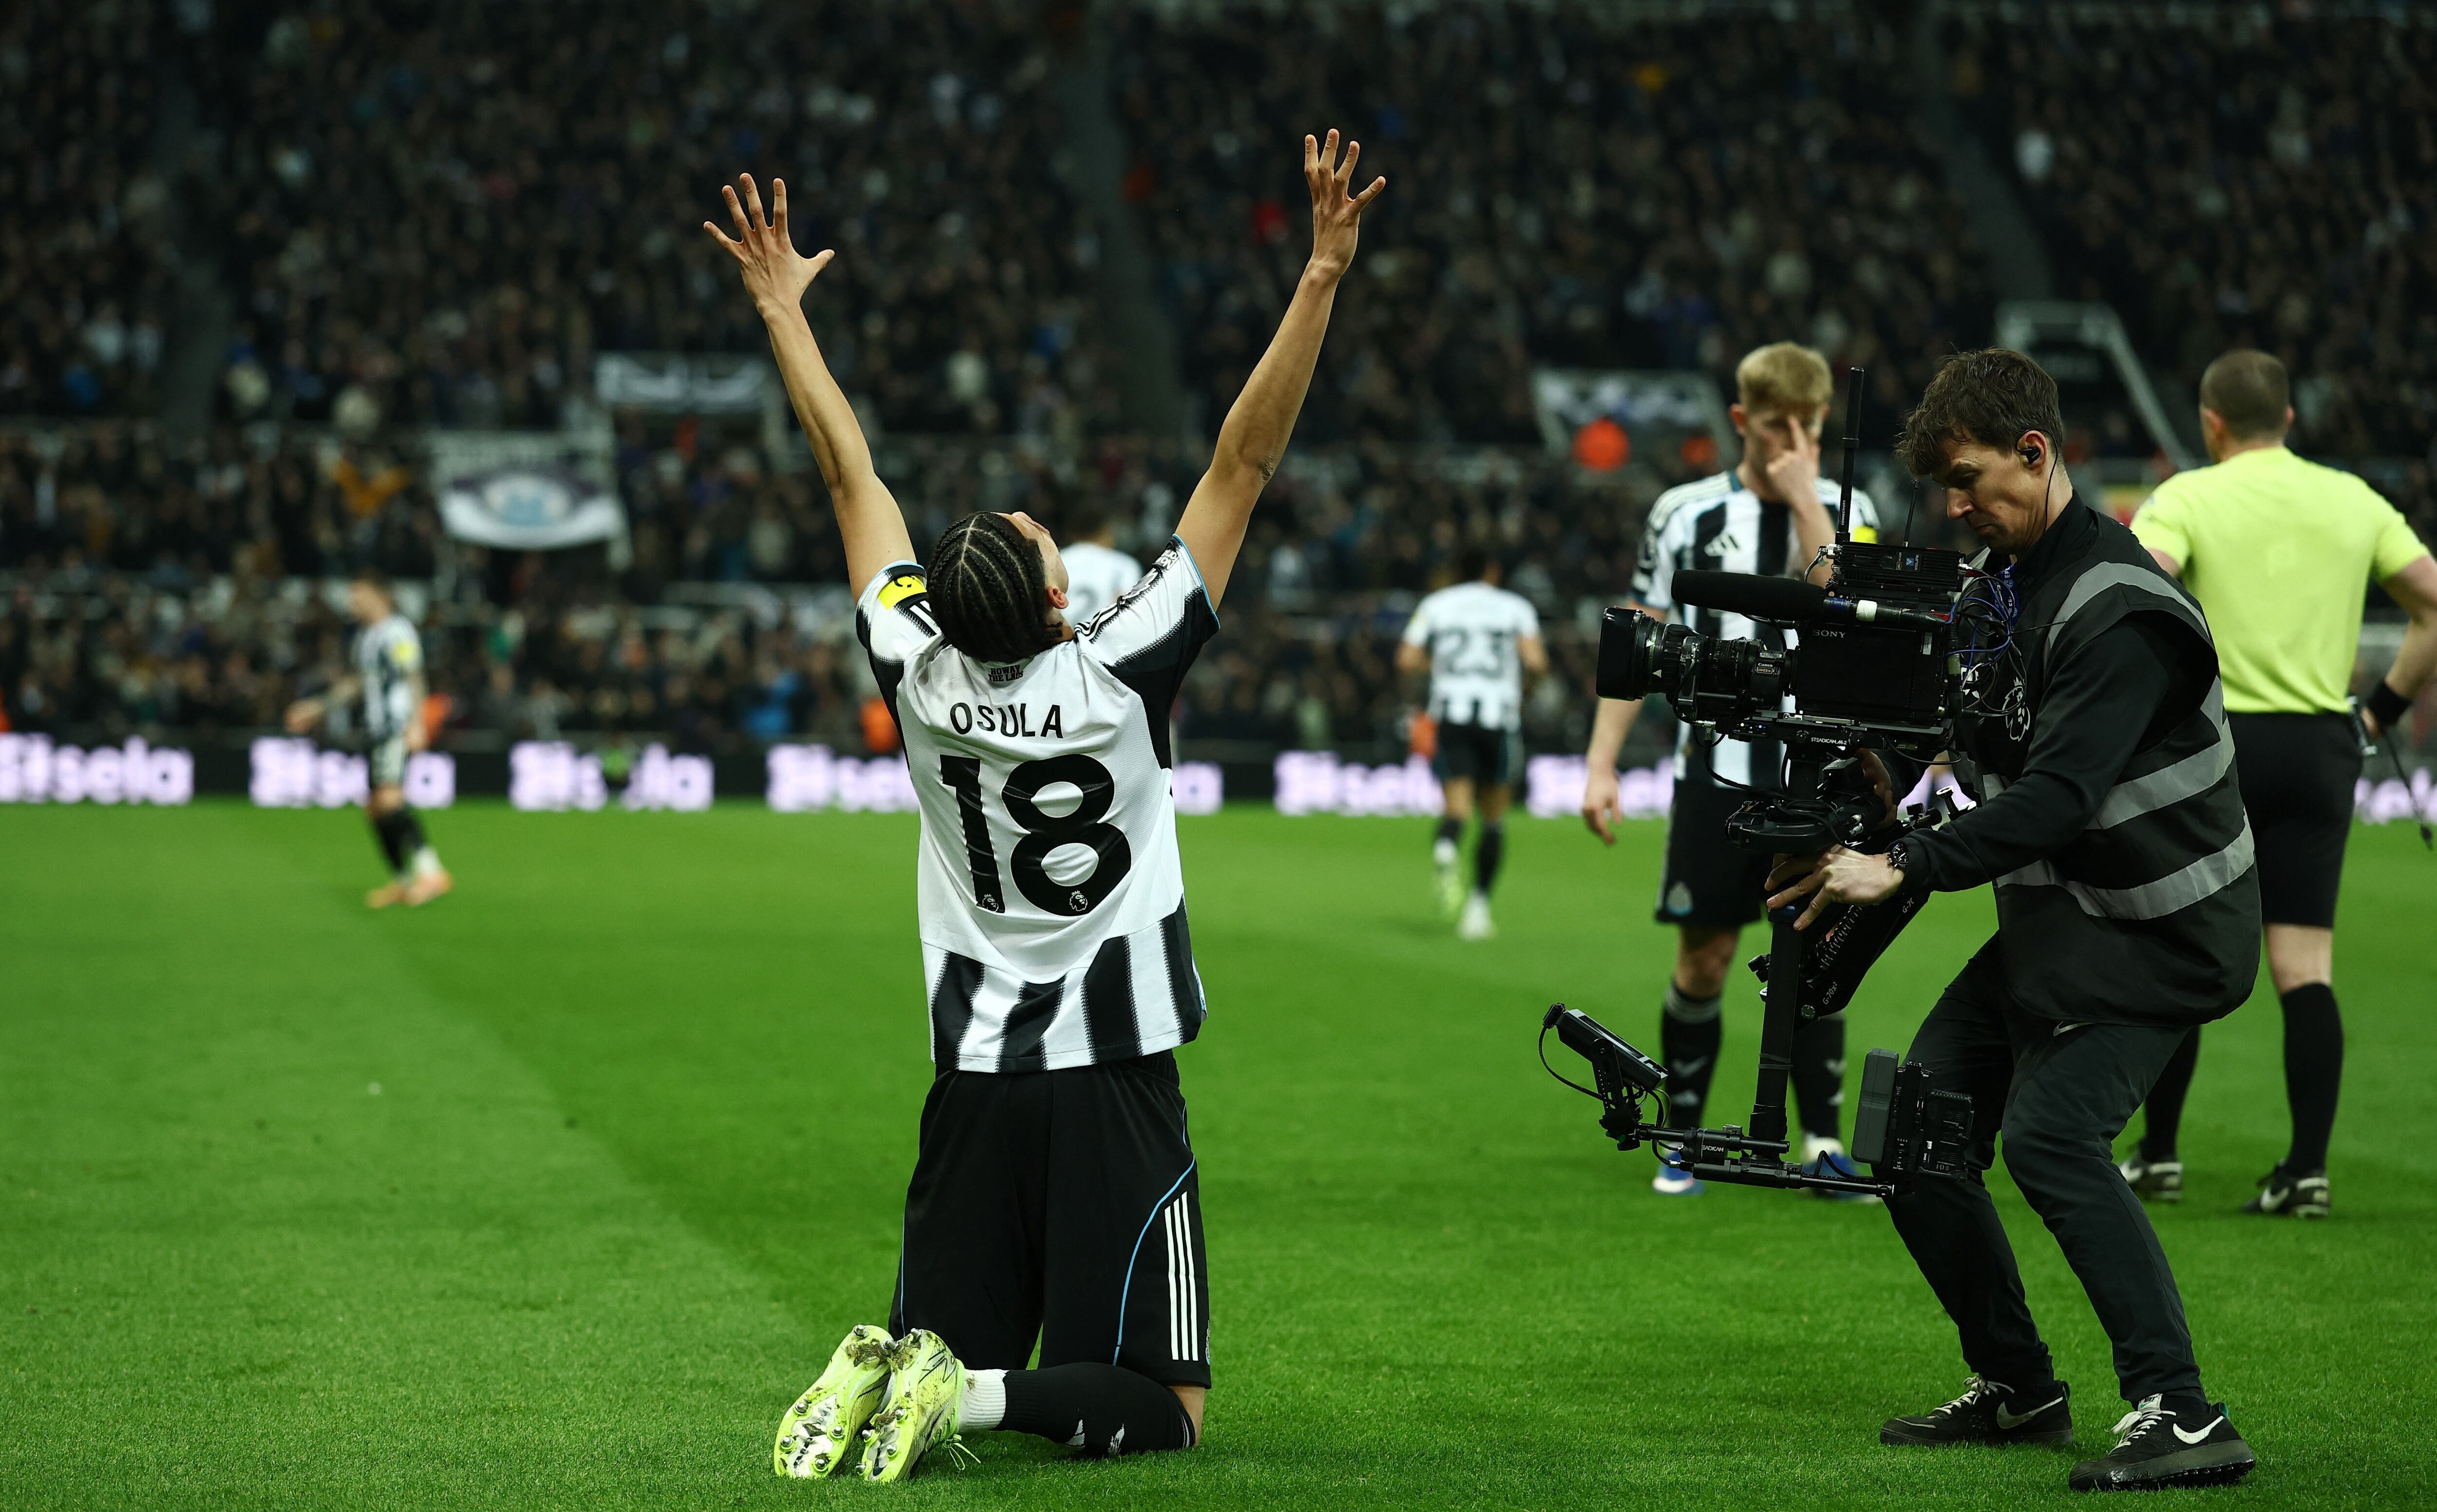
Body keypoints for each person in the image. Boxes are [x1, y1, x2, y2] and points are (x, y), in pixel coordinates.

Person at [705, 132, 1383, 1481]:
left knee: (942, 1332)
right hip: (1114, 1073)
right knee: (1162, 1405)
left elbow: (852, 480)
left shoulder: (914, 670)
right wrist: (1318, 273)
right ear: (1064, 596)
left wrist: (784, 315)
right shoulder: (1130, 670)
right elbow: (1241, 465)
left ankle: (911, 1363)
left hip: (973, 1075)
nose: (1024, 512)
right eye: (1031, 530)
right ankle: (965, 1399)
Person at [1772, 349, 2258, 1491]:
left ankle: (2182, 1414)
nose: (1954, 505)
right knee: (1913, 1127)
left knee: (2048, 1137)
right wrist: (1890, 782)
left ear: (2037, 456)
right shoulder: (2005, 579)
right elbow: (1990, 755)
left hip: (2165, 935)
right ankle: (2018, 1387)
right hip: (2067, 923)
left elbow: (2058, 798)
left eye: (1968, 477)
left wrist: (1905, 867)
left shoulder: (2118, 605)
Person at [2116, 349, 2437, 1218]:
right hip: (2322, 747)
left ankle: (2160, 1154)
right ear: (2290, 420)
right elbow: (2434, 600)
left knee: (2181, 948)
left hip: (2217, 747)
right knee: (2305, 966)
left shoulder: (2189, 495)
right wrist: (2380, 709)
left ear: (2211, 423)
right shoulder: (2355, 499)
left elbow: (2142, 580)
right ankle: (2304, 1170)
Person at [1579, 341, 1877, 1196]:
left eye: (1810, 426)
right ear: (1742, 420)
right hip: (1714, 770)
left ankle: (1820, 1138)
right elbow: (1635, 641)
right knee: (1706, 956)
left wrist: (1805, 498)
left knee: (1818, 953)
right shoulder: (1683, 514)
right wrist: (1602, 764)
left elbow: (1848, 616)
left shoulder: (1851, 509)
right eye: (1780, 424)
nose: (1795, 440)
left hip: (1822, 777)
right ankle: (1682, 1133)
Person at [1396, 543, 1548, 940]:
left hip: (1452, 715)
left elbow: (1406, 659)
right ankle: (1478, 909)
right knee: (1494, 818)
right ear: (1493, 571)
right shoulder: (1516, 607)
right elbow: (1536, 662)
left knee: (1457, 808)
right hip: (1499, 716)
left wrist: (1441, 668)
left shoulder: (1437, 605)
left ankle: (1446, 849)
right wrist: (1522, 690)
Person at [283, 569, 452, 909]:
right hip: (376, 728)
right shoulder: (366, 638)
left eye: (359, 596)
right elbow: (358, 684)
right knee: (374, 810)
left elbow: (414, 676)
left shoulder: (398, 632)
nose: (353, 603)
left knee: (389, 801)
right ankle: (404, 882)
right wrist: (318, 708)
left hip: (395, 726)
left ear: (380, 596)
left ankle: (432, 872)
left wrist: (418, 723)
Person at [1057, 503, 1145, 628]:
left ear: (1072, 534)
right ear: (1106, 531)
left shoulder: (1058, 561)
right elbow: (1126, 613)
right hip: (1102, 642)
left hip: (1059, 641)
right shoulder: (1124, 565)